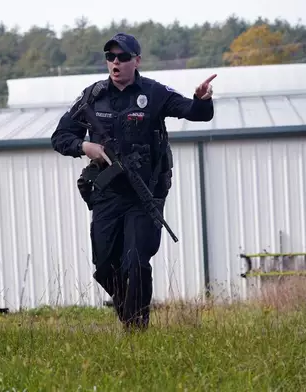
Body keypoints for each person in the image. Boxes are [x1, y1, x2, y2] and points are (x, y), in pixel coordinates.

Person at [50, 32, 216, 330]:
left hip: (145, 194)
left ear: (136, 61)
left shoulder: (153, 93)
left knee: (136, 262)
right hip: (107, 194)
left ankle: (136, 329)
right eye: (110, 57)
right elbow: (60, 136)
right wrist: (84, 147)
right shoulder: (92, 96)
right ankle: (129, 315)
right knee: (104, 268)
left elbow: (194, 113)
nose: (116, 62)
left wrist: (201, 100)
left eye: (123, 57)